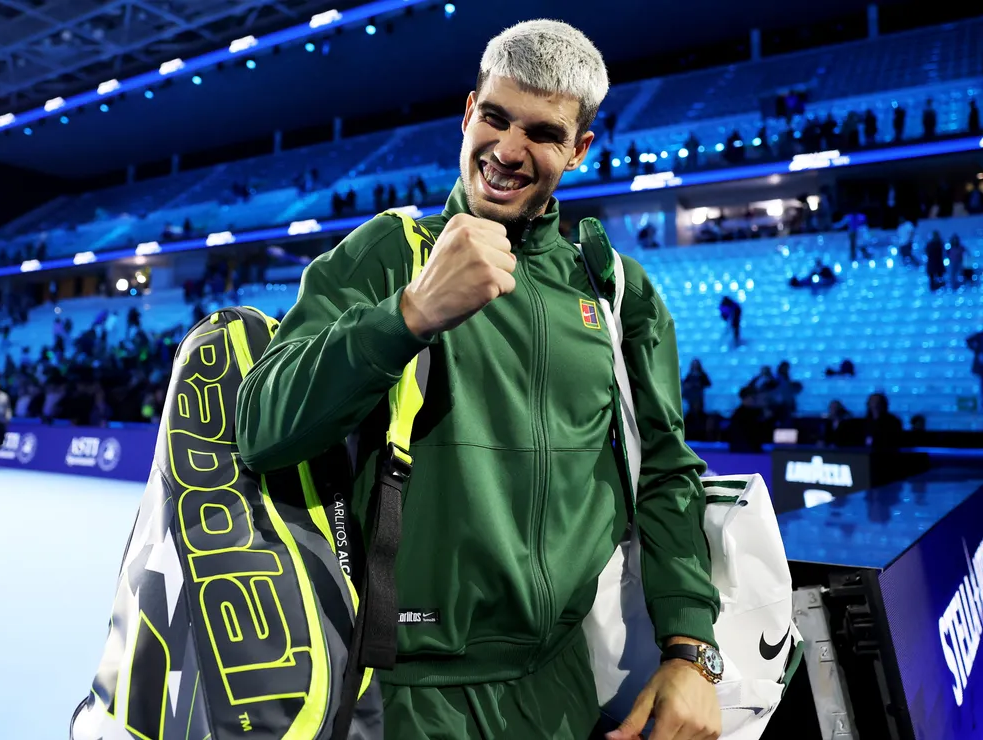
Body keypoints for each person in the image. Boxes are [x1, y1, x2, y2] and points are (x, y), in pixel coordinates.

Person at [236, 20, 721, 740]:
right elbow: (263, 427)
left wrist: (691, 649)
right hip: (401, 693)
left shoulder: (616, 289)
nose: (508, 150)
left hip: (559, 686)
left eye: (544, 133)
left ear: (581, 150)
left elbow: (665, 474)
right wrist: (409, 315)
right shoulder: (387, 253)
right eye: (494, 117)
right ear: (467, 113)